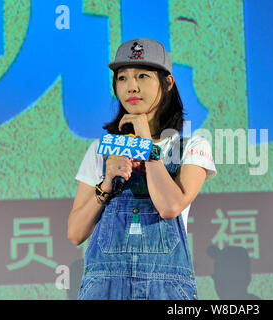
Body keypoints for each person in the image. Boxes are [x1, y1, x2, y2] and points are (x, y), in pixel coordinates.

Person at [67, 38, 216, 300]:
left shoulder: (192, 146)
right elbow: (75, 232)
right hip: (104, 289)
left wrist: (147, 146)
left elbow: (170, 207)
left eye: (143, 76)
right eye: (122, 78)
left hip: (166, 290)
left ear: (168, 83)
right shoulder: (102, 149)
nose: (131, 87)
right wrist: (106, 184)